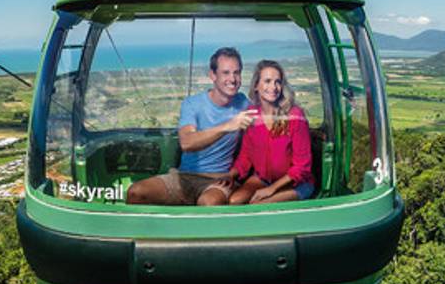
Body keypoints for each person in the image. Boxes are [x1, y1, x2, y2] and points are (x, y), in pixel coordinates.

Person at [126, 47, 256, 206]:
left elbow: (267, 119)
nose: (233, 79)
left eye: (237, 73)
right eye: (226, 73)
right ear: (212, 75)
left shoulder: (243, 104)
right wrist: (227, 126)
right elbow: (187, 143)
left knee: (208, 202)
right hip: (184, 176)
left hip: (219, 179)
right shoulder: (193, 104)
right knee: (136, 192)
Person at [226, 59, 314, 204]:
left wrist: (271, 189)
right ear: (256, 86)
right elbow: (246, 156)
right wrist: (230, 175)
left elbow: (302, 167)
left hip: (296, 183)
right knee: (234, 201)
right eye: (267, 81)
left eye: (277, 82)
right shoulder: (252, 115)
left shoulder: (295, 116)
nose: (273, 87)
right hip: (263, 179)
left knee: (258, 205)